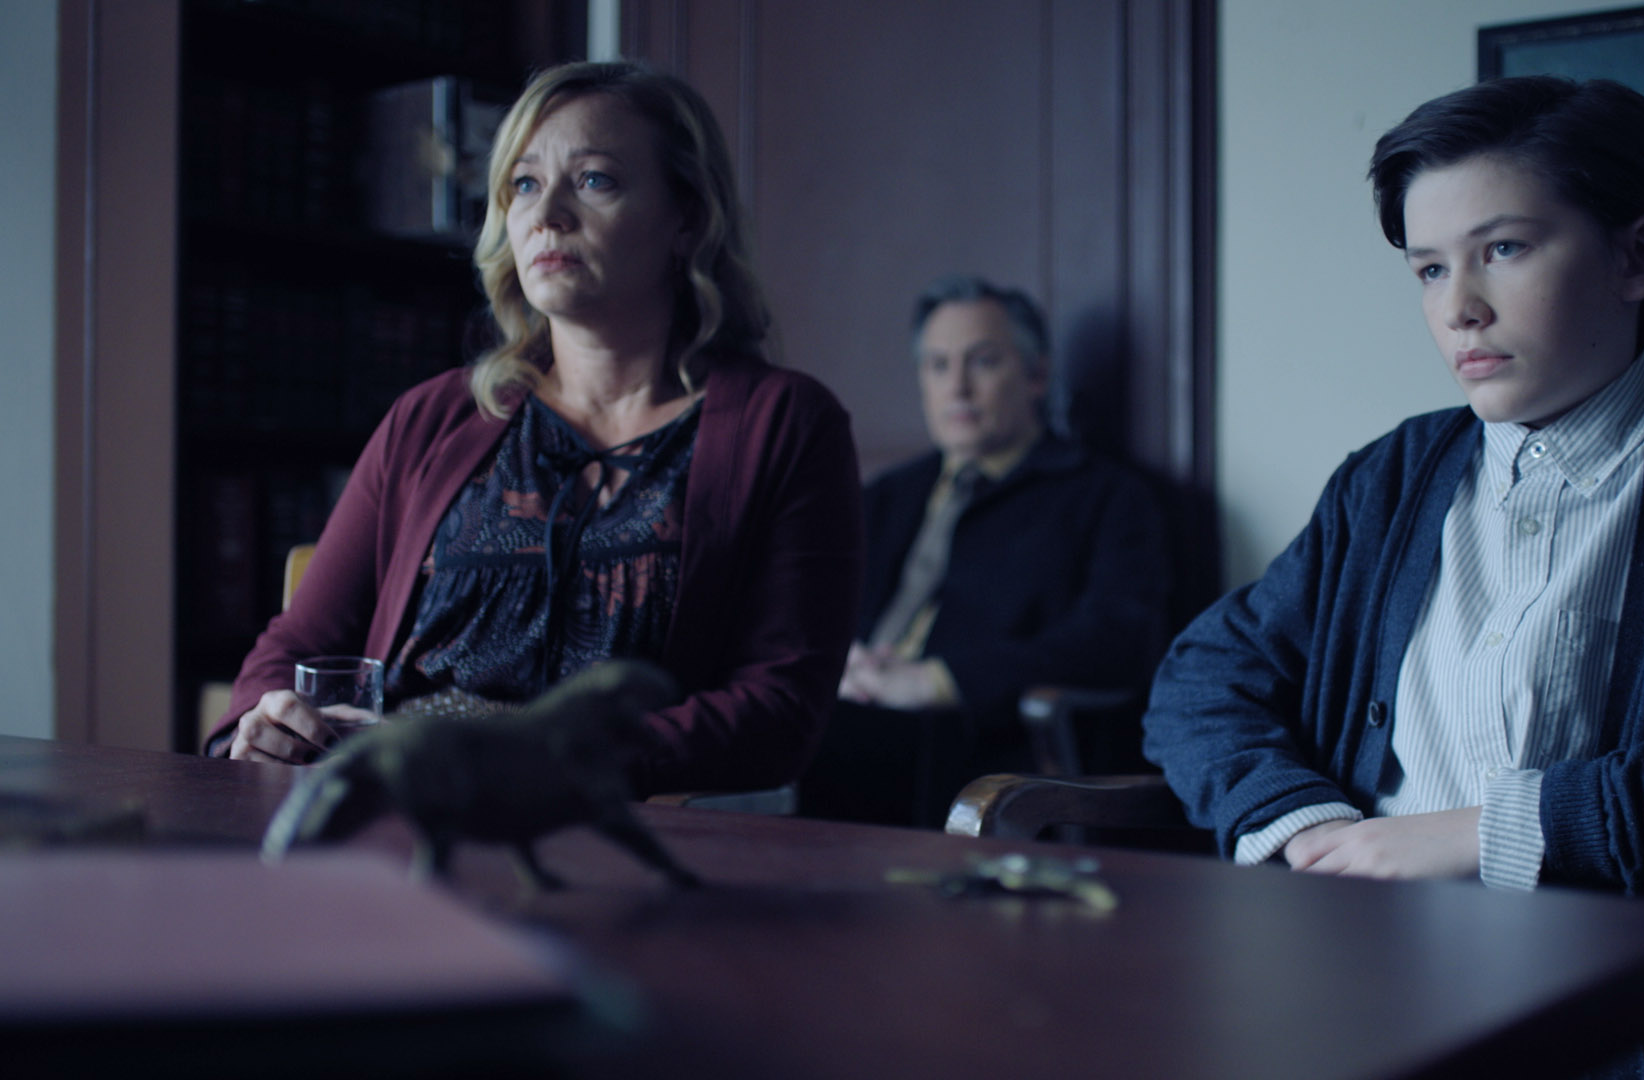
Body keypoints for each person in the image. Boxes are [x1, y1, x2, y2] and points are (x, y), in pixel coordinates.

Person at [1141, 76, 1644, 1073]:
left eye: (1504, 250)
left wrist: (1498, 831)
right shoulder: (1393, 476)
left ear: (1640, 255)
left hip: (1598, 997)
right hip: (1346, 964)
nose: (1460, 309)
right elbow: (1203, 677)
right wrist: (1300, 824)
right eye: (1429, 270)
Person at [209, 61, 862, 799]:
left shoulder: (786, 424)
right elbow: (294, 650)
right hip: (400, 817)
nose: (546, 213)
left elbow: (780, 711)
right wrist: (264, 721)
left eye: (593, 180)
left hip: (618, 836)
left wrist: (544, 760)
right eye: (523, 184)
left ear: (688, 217)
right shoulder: (431, 418)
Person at [797, 276, 1172, 826]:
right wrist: (837, 661)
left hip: (979, 744)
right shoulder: (884, 496)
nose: (958, 389)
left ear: (1037, 374)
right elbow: (807, 608)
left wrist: (939, 680)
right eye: (938, 366)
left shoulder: (1105, 497)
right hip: (853, 709)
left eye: (984, 362)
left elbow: (1119, 640)